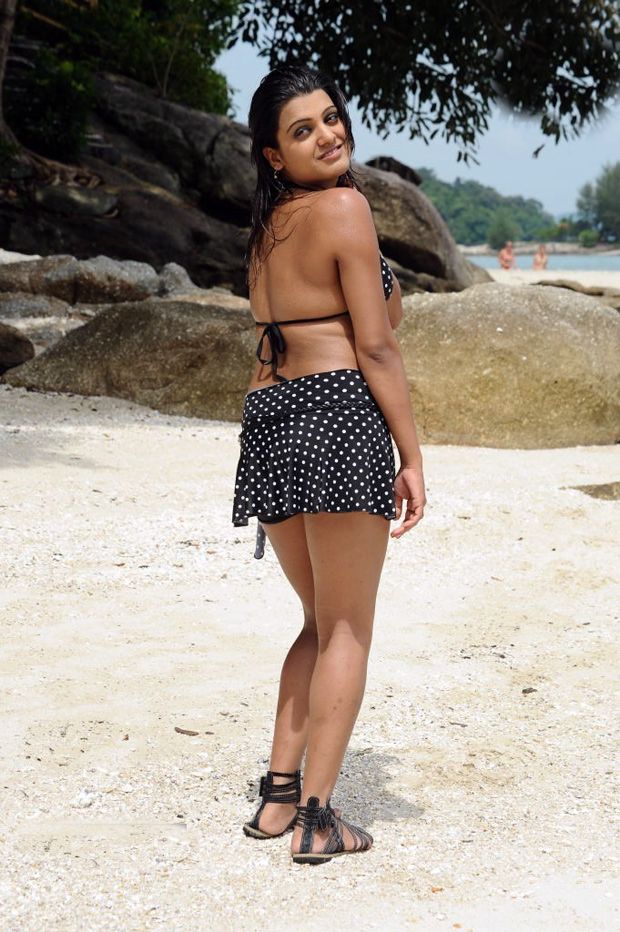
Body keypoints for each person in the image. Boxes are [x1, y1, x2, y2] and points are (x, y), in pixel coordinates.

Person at [231, 64, 426, 865]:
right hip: (337, 413)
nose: (327, 134)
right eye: (302, 130)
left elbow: (368, 311)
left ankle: (278, 798)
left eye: (331, 117)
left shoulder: (269, 228)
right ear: (274, 154)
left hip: (268, 422)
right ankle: (317, 819)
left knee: (317, 620)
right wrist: (411, 454)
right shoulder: (345, 209)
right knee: (348, 626)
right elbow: (376, 344)